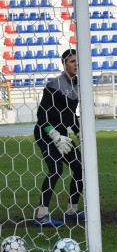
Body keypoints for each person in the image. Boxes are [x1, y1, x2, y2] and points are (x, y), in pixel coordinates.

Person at [33, 49, 83, 227]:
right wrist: (54, 136)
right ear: (64, 63)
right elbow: (41, 116)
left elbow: (70, 115)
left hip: (64, 135)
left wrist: (78, 133)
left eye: (77, 61)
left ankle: (71, 211)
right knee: (56, 169)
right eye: (71, 61)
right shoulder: (54, 86)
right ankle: (41, 214)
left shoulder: (79, 84)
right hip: (45, 133)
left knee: (80, 169)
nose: (76, 64)